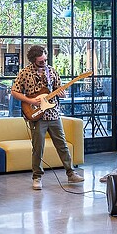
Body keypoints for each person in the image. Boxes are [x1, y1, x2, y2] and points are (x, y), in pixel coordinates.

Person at [10, 45, 85, 190]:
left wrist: (62, 94)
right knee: (38, 148)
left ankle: (71, 173)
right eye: (40, 61)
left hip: (54, 113)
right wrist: (31, 101)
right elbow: (14, 92)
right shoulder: (24, 73)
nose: (44, 63)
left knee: (62, 145)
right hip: (36, 115)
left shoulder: (52, 71)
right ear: (33, 61)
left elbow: (59, 89)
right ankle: (37, 177)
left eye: (45, 60)